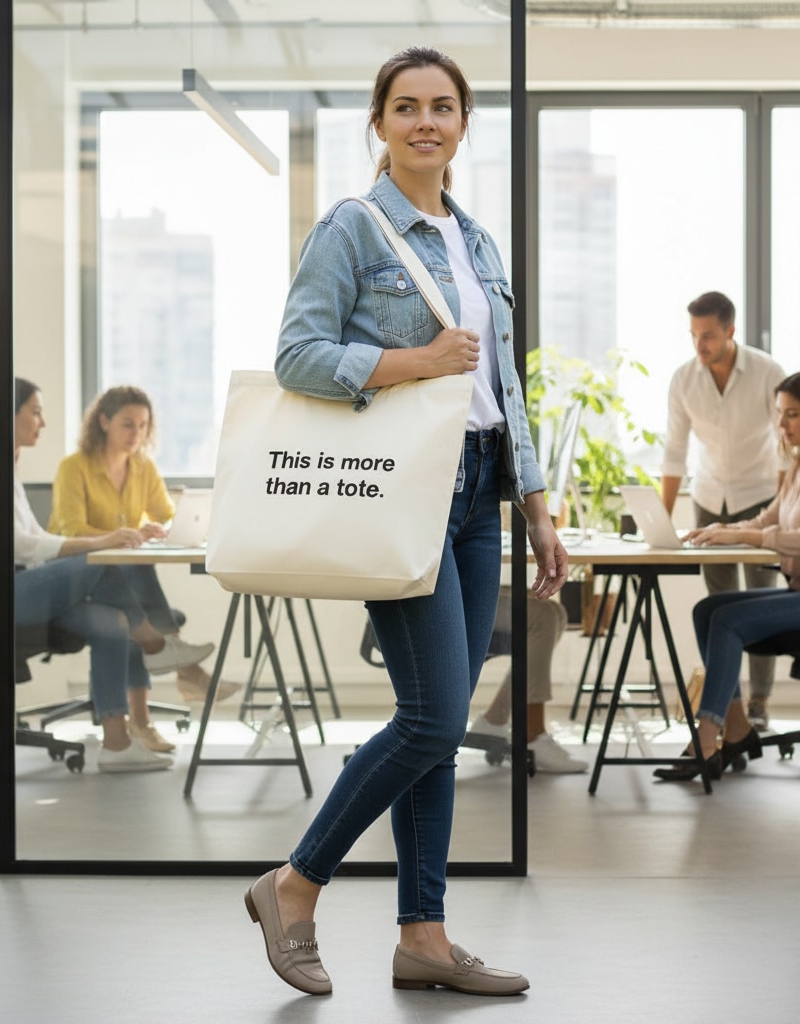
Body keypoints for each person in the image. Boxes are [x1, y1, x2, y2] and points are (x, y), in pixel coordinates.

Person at [245, 46, 567, 998]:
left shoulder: (477, 241)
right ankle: (294, 884)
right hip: (402, 491)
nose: (426, 121)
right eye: (406, 106)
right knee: (430, 716)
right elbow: (299, 354)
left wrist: (537, 505)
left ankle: (423, 935)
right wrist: (413, 362)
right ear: (379, 125)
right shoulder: (353, 227)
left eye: (443, 106)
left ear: (464, 123)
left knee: (443, 720)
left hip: (479, 494)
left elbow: (503, 385)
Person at [0, 378, 214, 773]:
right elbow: (16, 545)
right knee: (100, 561)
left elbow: (36, 538)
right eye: (35, 412)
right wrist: (99, 543)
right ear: (5, 417)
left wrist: (102, 542)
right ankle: (157, 647)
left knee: (113, 621)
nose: (43, 423)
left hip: (9, 587)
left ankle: (117, 746)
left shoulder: (3, 470)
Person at [654, 369, 800, 782]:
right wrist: (723, 531)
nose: (781, 424)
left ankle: (706, 741)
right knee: (707, 610)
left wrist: (745, 532)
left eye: (793, 414)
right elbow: (769, 518)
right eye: (779, 414)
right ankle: (736, 729)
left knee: (728, 619)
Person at [49, 385, 240, 750]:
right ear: (103, 422)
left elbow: (169, 516)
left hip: (117, 580)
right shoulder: (74, 467)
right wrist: (127, 535)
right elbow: (71, 529)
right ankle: (179, 672)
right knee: (130, 572)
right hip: (74, 574)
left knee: (132, 579)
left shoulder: (142, 467)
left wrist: (159, 531)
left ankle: (154, 695)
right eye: (127, 425)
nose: (136, 434)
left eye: (142, 425)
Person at [660, 290, 787, 729]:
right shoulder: (684, 379)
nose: (700, 345)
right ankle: (728, 703)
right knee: (719, 608)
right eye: (694, 335)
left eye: (709, 335)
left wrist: (784, 509)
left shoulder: (769, 373)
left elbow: (788, 448)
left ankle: (761, 700)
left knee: (763, 603)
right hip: (709, 501)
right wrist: (662, 520)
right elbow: (674, 452)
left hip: (761, 498)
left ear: (730, 331)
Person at [466, 585, 588, 773]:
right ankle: (532, 735)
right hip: (445, 595)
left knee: (556, 611)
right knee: (543, 616)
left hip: (462, 583)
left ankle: (493, 721)